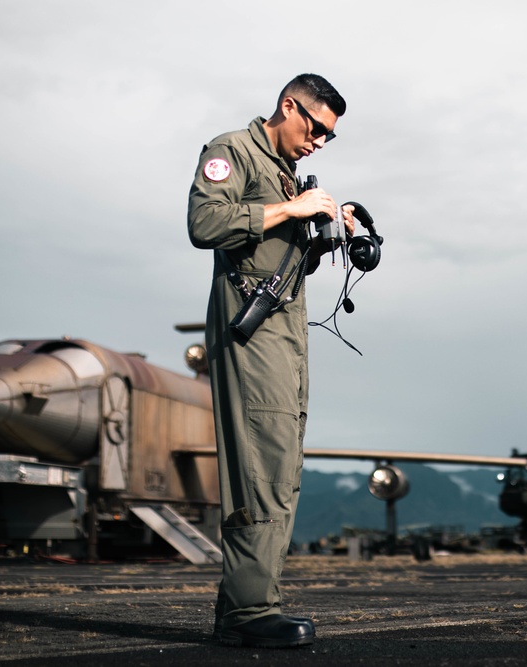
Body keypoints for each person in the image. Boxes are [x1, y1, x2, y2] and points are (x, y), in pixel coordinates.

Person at [187, 73, 353, 649]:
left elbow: (280, 261)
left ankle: (255, 602)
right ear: (289, 107)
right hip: (252, 340)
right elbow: (204, 224)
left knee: (280, 468)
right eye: (316, 129)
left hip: (285, 343)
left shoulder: (284, 176)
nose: (319, 144)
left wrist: (324, 229)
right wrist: (290, 209)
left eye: (329, 138)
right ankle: (248, 613)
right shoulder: (232, 150)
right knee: (260, 468)